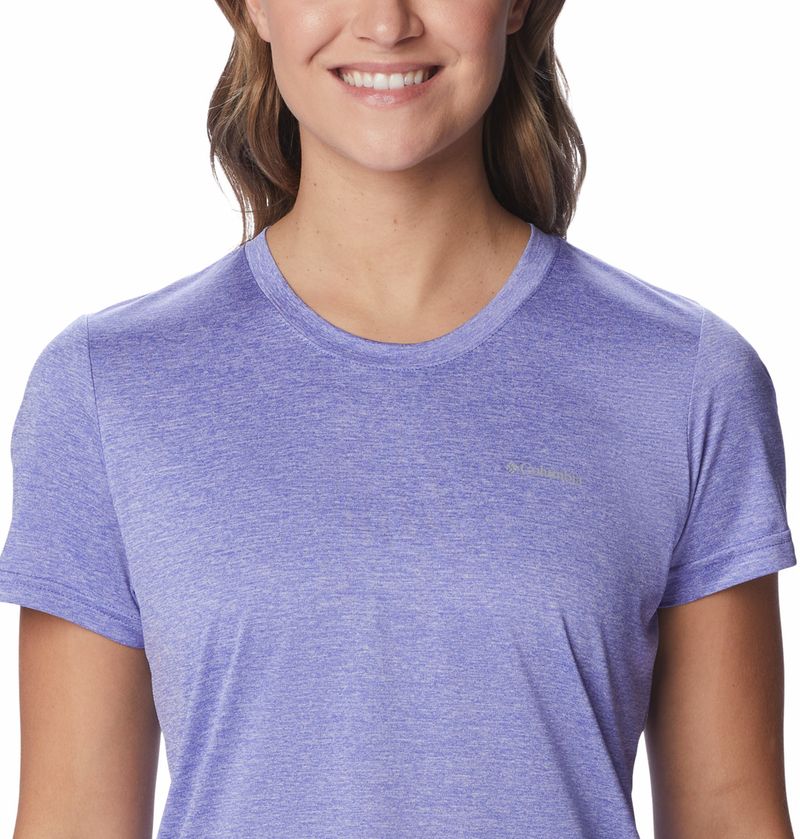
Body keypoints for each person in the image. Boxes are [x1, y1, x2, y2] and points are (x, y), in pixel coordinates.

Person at [0, 0, 795, 836]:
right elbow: (72, 818)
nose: (385, 22)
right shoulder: (106, 387)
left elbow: (727, 815)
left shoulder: (684, 379)